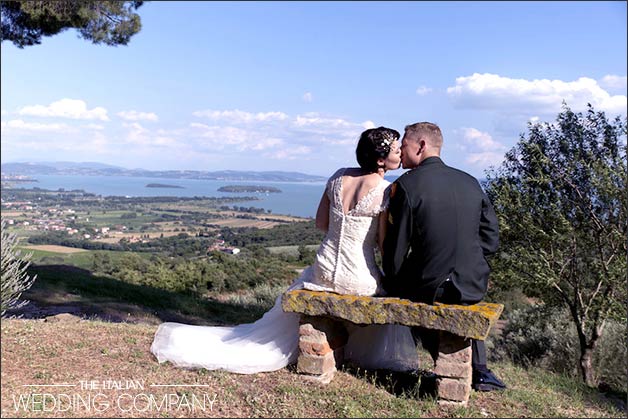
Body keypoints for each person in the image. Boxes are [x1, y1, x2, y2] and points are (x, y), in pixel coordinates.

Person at [151, 126, 418, 374]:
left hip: (323, 271)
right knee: (383, 290)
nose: (400, 153)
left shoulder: (338, 177)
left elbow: (321, 223)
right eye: (396, 150)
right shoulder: (385, 190)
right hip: (357, 277)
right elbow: (383, 244)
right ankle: (359, 356)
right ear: (381, 160)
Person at [381, 121, 506, 392]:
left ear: (421, 145)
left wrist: (390, 281)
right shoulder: (470, 181)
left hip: (431, 284)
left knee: (410, 290)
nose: (401, 152)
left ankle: (449, 364)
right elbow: (491, 241)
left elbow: (396, 249)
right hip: (474, 281)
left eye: (404, 145)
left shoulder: (406, 185)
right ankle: (480, 370)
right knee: (458, 301)